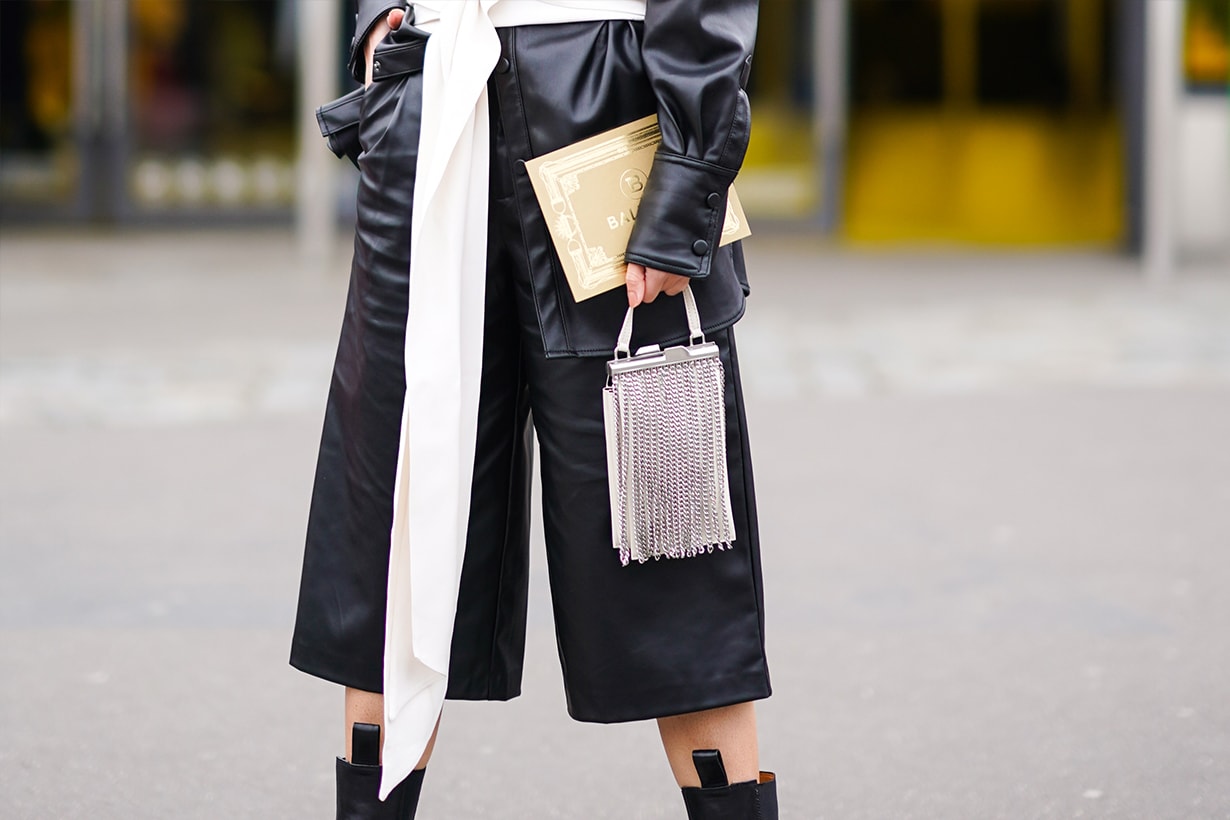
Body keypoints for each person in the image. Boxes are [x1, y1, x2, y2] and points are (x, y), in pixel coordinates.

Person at [291, 2, 775, 817]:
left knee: (667, 517)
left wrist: (686, 179)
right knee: (395, 517)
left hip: (606, 111)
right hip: (435, 100)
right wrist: (381, 23)